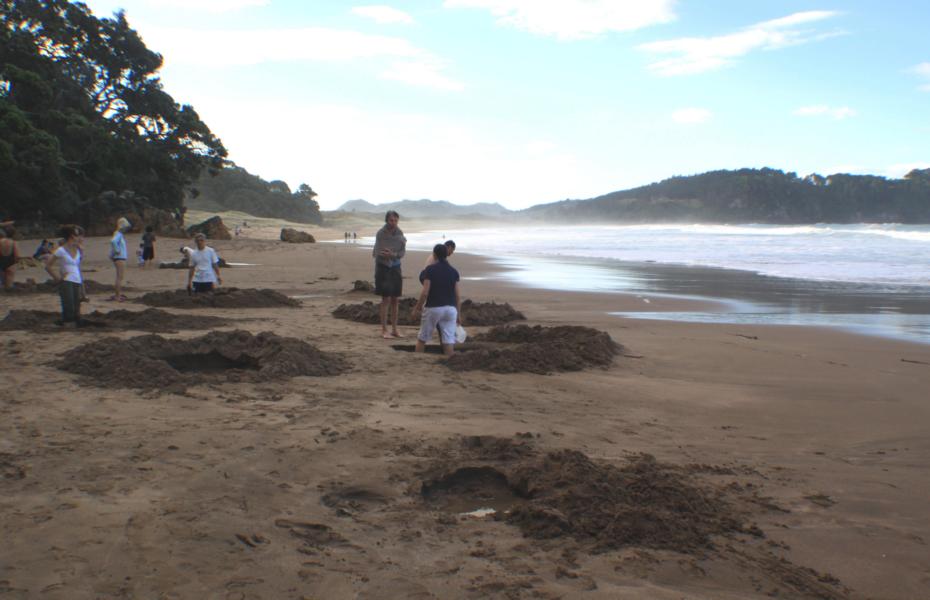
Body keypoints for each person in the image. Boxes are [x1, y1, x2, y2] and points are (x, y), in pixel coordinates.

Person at [413, 244, 461, 356]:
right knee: (448, 341)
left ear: (434, 255)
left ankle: (416, 360)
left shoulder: (430, 270)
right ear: (446, 254)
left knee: (422, 338)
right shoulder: (453, 271)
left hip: (434, 307)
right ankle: (449, 362)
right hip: (451, 309)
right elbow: (458, 296)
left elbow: (425, 292)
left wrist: (417, 308)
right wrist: (459, 314)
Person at [372, 210, 406, 338]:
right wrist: (388, 254)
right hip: (382, 267)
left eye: (396, 220)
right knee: (385, 299)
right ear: (387, 220)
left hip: (396, 267)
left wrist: (392, 255)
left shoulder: (400, 233)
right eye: (391, 220)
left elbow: (402, 252)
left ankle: (395, 329)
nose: (394, 223)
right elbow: (379, 251)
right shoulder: (381, 233)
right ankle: (384, 330)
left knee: (395, 299)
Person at [45, 225, 85, 327]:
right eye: (77, 235)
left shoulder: (77, 249)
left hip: (76, 280)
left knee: (76, 306)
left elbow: (78, 265)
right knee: (69, 305)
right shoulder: (61, 250)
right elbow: (48, 266)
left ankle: (72, 324)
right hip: (66, 280)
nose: (79, 238)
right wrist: (58, 278)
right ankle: (67, 324)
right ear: (72, 236)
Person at [108, 216, 130, 301]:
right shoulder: (119, 234)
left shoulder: (117, 233)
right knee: (120, 277)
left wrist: (112, 254)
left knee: (119, 277)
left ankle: (118, 294)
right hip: (120, 258)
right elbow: (113, 241)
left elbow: (113, 244)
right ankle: (117, 296)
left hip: (118, 258)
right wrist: (117, 251)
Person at [0, 226, 19, 291]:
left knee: (3, 278)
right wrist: (16, 262)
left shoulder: (1, 241)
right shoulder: (13, 242)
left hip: (1, 260)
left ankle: (3, 287)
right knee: (10, 278)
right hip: (10, 261)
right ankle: (8, 289)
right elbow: (16, 254)